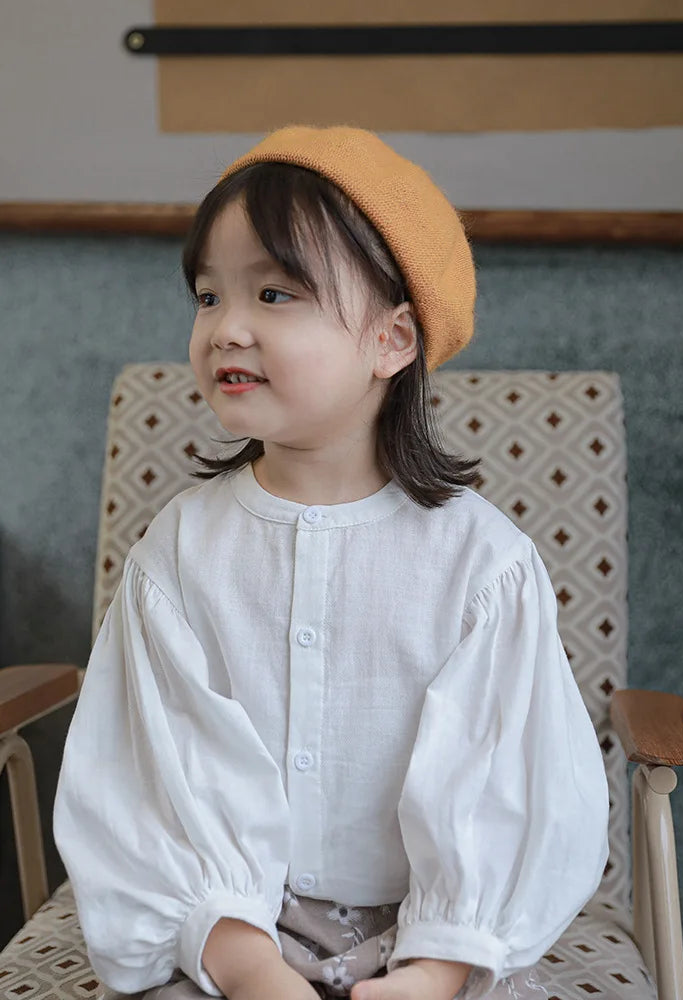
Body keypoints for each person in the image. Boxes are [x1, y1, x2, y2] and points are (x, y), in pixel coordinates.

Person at [53, 125, 609, 1000]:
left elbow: (505, 774)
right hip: (227, 930)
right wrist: (246, 963)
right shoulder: (181, 552)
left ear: (392, 340)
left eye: (274, 293)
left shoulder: (480, 562)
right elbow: (153, 773)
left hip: (433, 932)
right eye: (208, 296)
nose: (226, 328)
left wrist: (436, 969)